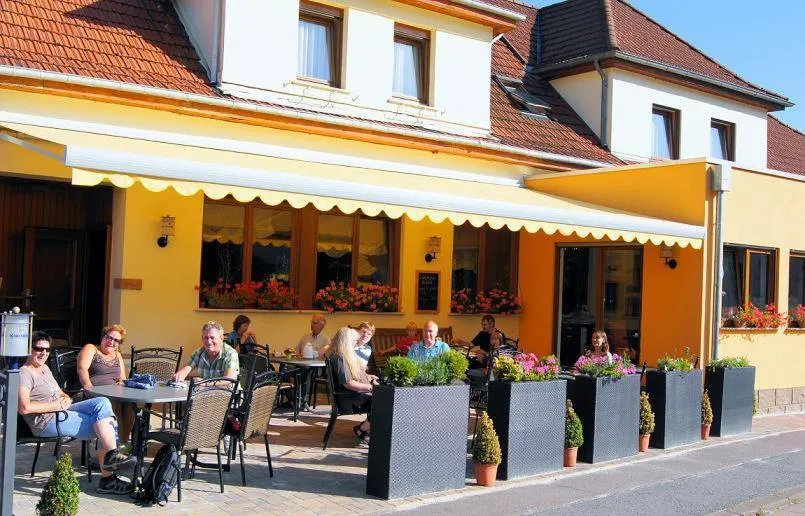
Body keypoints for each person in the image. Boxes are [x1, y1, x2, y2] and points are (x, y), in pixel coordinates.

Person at [19, 332, 135, 494]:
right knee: (107, 423)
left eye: (47, 350)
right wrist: (56, 404)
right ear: (28, 349)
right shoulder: (24, 373)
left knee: (102, 403)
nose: (43, 353)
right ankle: (109, 476)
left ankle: (111, 457)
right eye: (38, 349)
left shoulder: (44, 368)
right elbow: (24, 407)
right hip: (47, 420)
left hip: (61, 410)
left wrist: (65, 398)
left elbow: (59, 392)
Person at [77, 324, 134, 444]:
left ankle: (123, 444)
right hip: (94, 392)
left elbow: (122, 378)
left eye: (116, 340)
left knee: (131, 406)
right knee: (114, 403)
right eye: (109, 337)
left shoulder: (117, 355)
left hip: (115, 392)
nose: (111, 342)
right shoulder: (91, 348)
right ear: (103, 337)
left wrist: (121, 383)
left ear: (119, 344)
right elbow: (82, 368)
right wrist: (88, 387)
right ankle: (113, 446)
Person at [329, 327, 377, 444]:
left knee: (383, 399)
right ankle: (362, 429)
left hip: (354, 395)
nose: (357, 342)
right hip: (348, 399)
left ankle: (366, 429)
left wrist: (368, 377)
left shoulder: (345, 355)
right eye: (354, 340)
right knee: (383, 402)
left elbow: (354, 375)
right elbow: (348, 384)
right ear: (347, 341)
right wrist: (371, 387)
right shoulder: (339, 358)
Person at [173, 321, 239, 382]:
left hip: (228, 393)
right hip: (206, 392)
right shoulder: (200, 352)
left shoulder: (230, 353)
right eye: (206, 338)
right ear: (202, 338)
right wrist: (180, 374)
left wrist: (204, 383)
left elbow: (229, 380)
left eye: (212, 338)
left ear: (221, 338)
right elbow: (186, 368)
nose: (209, 342)